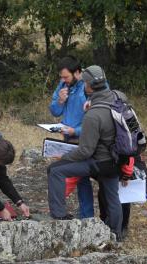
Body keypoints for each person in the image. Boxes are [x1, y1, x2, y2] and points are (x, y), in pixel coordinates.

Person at [47, 65, 123, 240]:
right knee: (113, 198)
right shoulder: (118, 97)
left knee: (55, 170)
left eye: (85, 83)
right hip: (117, 160)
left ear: (88, 85)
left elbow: (85, 151)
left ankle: (59, 217)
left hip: (98, 162)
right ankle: (115, 235)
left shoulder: (92, 115)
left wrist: (63, 156)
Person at [49, 56, 94, 219]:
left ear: (77, 73)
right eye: (61, 77)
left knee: (71, 175)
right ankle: (86, 215)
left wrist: (75, 131)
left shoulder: (89, 87)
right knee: (82, 179)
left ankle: (80, 214)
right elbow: (54, 111)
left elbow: (97, 121)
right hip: (68, 138)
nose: (63, 80)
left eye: (66, 77)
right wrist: (60, 101)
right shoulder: (63, 85)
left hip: (85, 140)